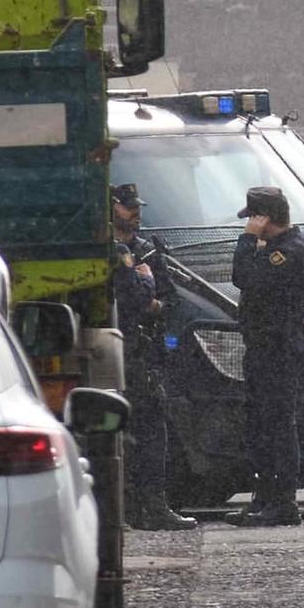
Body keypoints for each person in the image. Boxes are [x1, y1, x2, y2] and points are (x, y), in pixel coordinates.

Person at [228, 186, 304, 527]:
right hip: (264, 348)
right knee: (261, 427)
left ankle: (283, 502)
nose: (250, 224)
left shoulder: (289, 252)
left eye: (253, 218)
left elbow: (244, 278)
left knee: (279, 427)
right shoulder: (278, 249)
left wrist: (247, 240)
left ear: (264, 217)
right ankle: (264, 496)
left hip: (279, 349)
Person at [112, 184, 194, 531]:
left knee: (152, 430)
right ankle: (127, 507)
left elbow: (170, 301)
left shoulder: (146, 252)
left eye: (137, 206)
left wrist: (153, 302)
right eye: (128, 206)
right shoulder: (110, 251)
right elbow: (129, 297)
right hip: (117, 348)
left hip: (144, 353)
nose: (136, 212)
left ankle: (155, 505)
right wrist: (146, 293)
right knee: (119, 433)